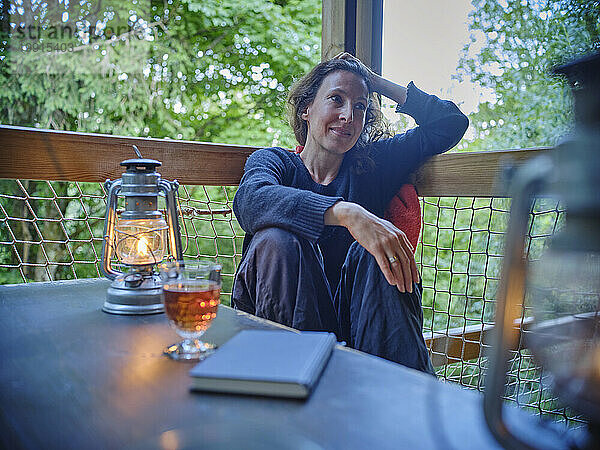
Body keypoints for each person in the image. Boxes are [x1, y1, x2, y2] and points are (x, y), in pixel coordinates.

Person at [231, 53, 468, 374]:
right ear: (306, 109)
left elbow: (449, 123)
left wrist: (375, 82)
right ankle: (290, 388)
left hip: (359, 327)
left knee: (372, 252)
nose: (348, 115)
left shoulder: (373, 165)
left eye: (360, 106)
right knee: (277, 238)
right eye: (336, 99)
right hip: (280, 327)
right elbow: (251, 200)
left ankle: (405, 399)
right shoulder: (275, 162)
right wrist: (345, 213)